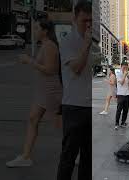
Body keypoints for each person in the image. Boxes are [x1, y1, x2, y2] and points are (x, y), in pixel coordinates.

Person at [6, 19, 63, 168]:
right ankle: (26, 156)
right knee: (33, 120)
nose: (34, 31)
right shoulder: (45, 45)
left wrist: (29, 61)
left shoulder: (49, 46)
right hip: (43, 91)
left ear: (45, 31)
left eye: (37, 28)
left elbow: (51, 70)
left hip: (51, 91)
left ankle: (77, 151)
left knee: (59, 125)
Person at [56, 1, 91, 179]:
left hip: (90, 106)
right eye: (84, 20)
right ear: (74, 18)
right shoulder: (68, 42)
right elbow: (76, 68)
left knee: (88, 158)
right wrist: (85, 46)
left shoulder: (93, 43)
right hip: (74, 106)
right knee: (69, 157)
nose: (87, 25)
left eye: (90, 21)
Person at [115, 62, 129, 130]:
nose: (125, 69)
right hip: (120, 94)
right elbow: (122, 83)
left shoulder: (128, 74)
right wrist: (125, 75)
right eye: (124, 67)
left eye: (126, 67)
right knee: (119, 110)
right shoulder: (118, 74)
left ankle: (123, 122)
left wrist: (128, 77)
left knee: (126, 110)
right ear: (121, 67)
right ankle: (116, 123)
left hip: (127, 94)